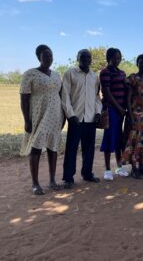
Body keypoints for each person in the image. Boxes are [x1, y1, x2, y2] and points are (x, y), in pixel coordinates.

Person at [20, 45, 64, 195]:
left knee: (53, 148)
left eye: (51, 56)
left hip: (55, 116)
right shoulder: (30, 74)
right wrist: (27, 120)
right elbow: (24, 99)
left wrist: (63, 116)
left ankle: (52, 180)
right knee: (36, 149)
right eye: (46, 56)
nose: (49, 59)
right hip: (38, 116)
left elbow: (60, 95)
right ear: (39, 57)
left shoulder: (57, 75)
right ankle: (35, 183)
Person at [61, 49, 102, 189]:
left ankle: (87, 173)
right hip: (75, 118)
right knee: (71, 148)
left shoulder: (95, 77)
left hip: (91, 118)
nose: (86, 59)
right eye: (82, 57)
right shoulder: (70, 74)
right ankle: (68, 178)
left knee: (89, 149)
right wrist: (70, 115)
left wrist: (98, 112)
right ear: (77, 58)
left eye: (88, 57)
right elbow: (65, 96)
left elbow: (97, 97)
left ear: (91, 60)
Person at [123, 54, 143, 179]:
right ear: (137, 64)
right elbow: (129, 98)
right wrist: (130, 116)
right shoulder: (133, 78)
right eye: (141, 62)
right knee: (135, 141)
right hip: (137, 115)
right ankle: (134, 167)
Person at [100, 48, 129, 181]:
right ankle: (107, 169)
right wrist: (119, 108)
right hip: (111, 109)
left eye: (119, 58)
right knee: (109, 138)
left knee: (118, 138)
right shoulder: (105, 72)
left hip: (120, 111)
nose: (117, 60)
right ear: (109, 58)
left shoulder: (122, 73)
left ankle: (119, 166)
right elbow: (106, 92)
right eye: (115, 58)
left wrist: (123, 109)